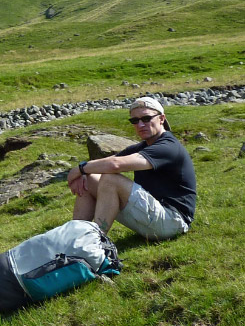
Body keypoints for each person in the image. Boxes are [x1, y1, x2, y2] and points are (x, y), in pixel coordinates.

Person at [68, 96, 196, 239]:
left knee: (110, 178)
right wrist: (84, 173)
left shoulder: (168, 147)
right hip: (154, 218)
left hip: (173, 221)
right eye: (135, 121)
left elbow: (114, 165)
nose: (140, 124)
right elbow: (109, 161)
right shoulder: (143, 146)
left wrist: (79, 169)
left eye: (146, 118)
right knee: (89, 179)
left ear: (161, 119)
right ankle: (75, 238)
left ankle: (95, 241)